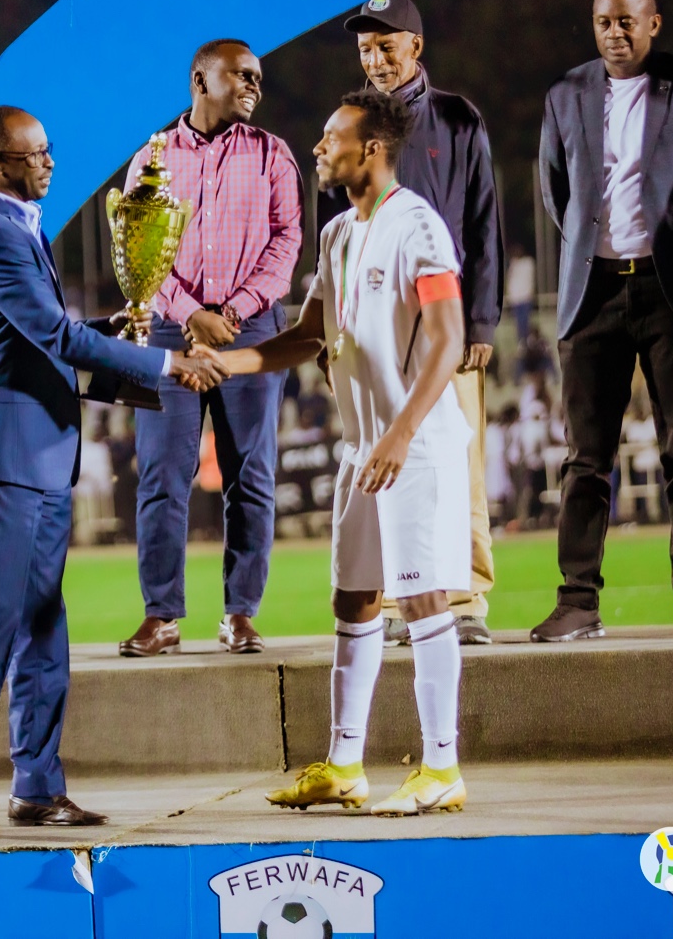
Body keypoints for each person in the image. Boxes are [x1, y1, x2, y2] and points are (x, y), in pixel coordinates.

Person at [0, 105, 226, 837]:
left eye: (48, 150)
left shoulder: (19, 225)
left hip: (41, 451)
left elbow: (43, 339)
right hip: (2, 454)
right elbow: (53, 336)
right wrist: (161, 362)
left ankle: (37, 787)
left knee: (42, 625)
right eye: (35, 154)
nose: (50, 162)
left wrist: (113, 332)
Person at [221, 91, 471, 816]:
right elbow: (308, 335)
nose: (318, 148)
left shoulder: (418, 226)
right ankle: (344, 766)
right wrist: (226, 363)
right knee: (354, 599)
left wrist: (401, 433)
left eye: (332, 138)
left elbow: (449, 340)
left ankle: (443, 768)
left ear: (372, 150)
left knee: (420, 598)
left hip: (414, 446)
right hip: (366, 448)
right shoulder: (336, 233)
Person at [533, 0, 673, 642]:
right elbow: (555, 189)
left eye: (627, 20)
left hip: (671, 291)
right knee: (585, 458)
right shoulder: (566, 93)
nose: (615, 32)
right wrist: (591, 250)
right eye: (604, 21)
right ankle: (578, 602)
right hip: (593, 294)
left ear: (654, 23)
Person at [324, 0, 504, 646]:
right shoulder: (349, 123)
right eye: (365, 48)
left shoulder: (457, 117)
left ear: (415, 47)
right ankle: (401, 602)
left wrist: (481, 321)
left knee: (462, 464)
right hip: (375, 334)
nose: (375, 58)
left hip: (444, 326)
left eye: (386, 45)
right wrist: (332, 331)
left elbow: (483, 222)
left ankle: (467, 600)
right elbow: (335, 235)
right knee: (382, 462)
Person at [119, 38, 301, 659]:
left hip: (249, 328)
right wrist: (189, 313)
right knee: (162, 474)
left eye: (258, 77)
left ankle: (240, 613)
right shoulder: (152, 158)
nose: (254, 85)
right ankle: (162, 616)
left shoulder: (273, 154)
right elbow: (137, 254)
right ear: (200, 80)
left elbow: (286, 244)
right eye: (241, 75)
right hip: (172, 330)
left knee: (251, 474)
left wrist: (231, 312)